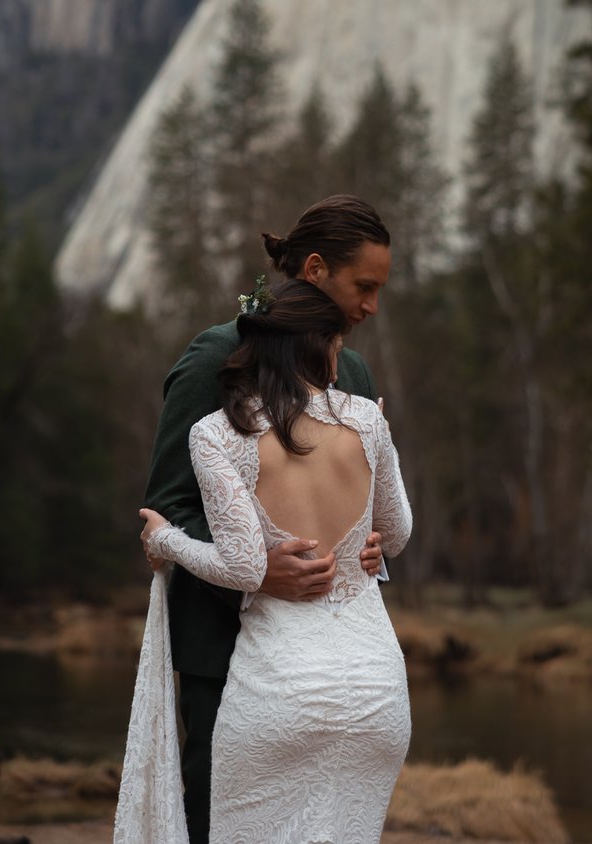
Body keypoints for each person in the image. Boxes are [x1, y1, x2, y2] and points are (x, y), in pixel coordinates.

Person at [119, 278, 412, 844]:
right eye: (336, 341)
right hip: (377, 693)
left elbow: (245, 568)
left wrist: (166, 541)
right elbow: (395, 535)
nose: (342, 355)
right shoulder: (368, 422)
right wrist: (382, 460)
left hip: (281, 692)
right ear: (316, 344)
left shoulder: (218, 434)